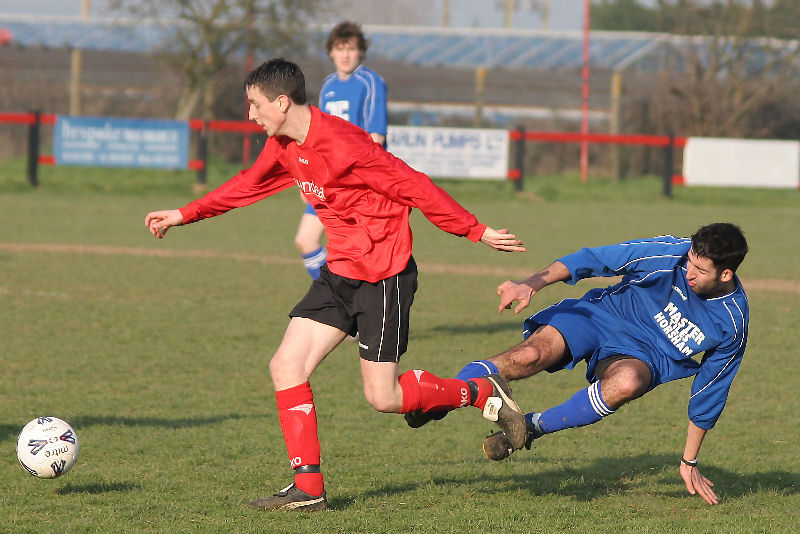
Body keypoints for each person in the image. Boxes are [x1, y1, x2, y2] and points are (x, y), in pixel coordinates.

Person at [144, 58, 527, 511]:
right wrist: (185, 213)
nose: (250, 115)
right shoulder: (285, 143)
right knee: (286, 366)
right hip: (339, 274)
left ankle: (479, 391)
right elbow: (248, 185)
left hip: (384, 275)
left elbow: (414, 186)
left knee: (383, 398)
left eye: (255, 104)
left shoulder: (346, 146)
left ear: (282, 102)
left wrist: (473, 229)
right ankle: (308, 488)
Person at [407, 223, 749, 506]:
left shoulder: (731, 323)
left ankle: (529, 428)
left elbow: (710, 391)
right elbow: (594, 259)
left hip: (643, 358)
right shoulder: (668, 253)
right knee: (528, 356)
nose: (688, 271)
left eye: (700, 270)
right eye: (690, 261)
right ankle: (442, 398)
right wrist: (531, 284)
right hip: (601, 317)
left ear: (725, 274)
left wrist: (689, 461)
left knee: (628, 382)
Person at [295, 21, 388, 280]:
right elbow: (318, 139)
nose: (345, 54)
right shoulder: (328, 86)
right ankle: (339, 301)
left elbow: (376, 140)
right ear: (331, 52)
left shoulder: (370, 82)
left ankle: (354, 307)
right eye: (340, 48)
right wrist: (309, 178)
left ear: (360, 52)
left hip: (359, 184)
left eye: (351, 48)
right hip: (330, 181)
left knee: (361, 256)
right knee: (306, 240)